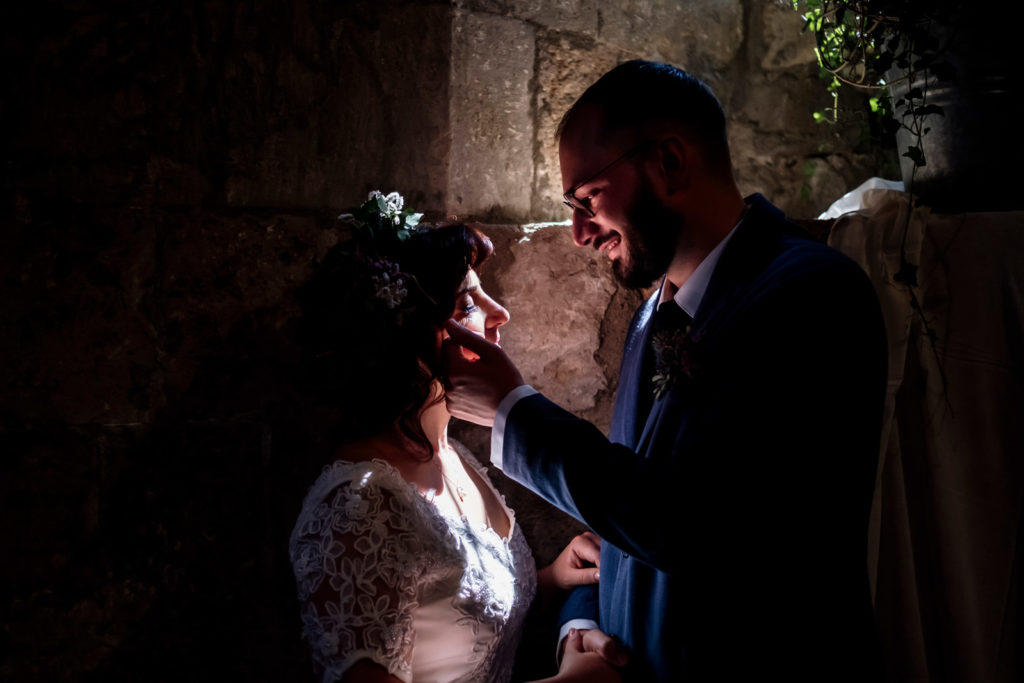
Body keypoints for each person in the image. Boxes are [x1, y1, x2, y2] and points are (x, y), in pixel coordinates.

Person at [442, 61, 888, 681]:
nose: (577, 232)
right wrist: (582, 622)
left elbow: (692, 525)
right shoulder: (655, 312)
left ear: (670, 163)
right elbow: (625, 518)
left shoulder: (811, 296)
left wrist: (510, 409)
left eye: (589, 197)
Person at [288, 193, 626, 683]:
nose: (499, 314)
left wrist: (551, 580)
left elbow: (452, 618)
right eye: (468, 302)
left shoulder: (452, 454)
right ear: (411, 337)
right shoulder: (358, 509)